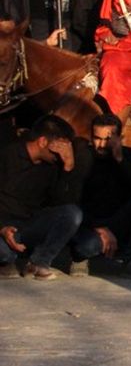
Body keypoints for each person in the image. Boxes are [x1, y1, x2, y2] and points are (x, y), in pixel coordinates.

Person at [71, 114, 131, 280]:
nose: (101, 144)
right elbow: (73, 201)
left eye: (107, 139)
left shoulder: (127, 155)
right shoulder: (83, 157)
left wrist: (119, 159)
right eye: (97, 138)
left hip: (117, 220)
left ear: (119, 138)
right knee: (86, 247)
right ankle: (80, 259)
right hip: (90, 224)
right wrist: (99, 227)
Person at [0, 115, 83, 281]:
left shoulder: (52, 166)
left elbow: (63, 203)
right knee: (3, 251)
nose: (62, 153)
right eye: (59, 147)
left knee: (72, 213)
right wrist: (1, 227)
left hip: (29, 225)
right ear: (43, 141)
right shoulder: (7, 156)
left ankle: (38, 262)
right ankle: (7, 261)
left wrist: (68, 168)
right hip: (3, 226)